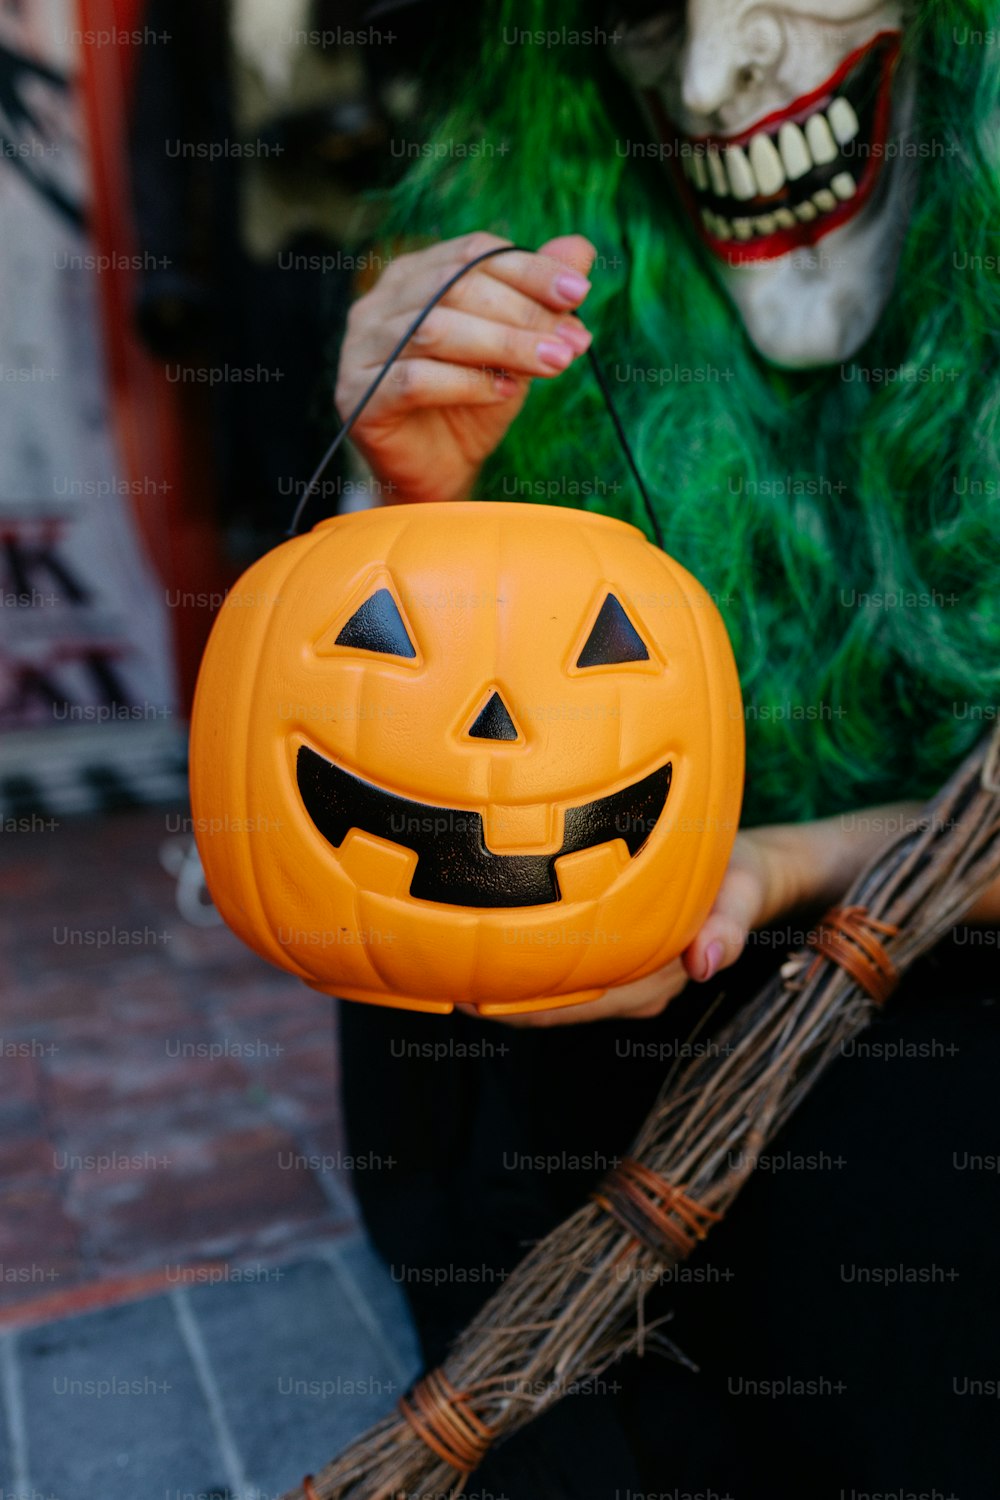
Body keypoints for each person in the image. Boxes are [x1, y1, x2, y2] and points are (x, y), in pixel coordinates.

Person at [333, 3, 1000, 1495]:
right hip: (661, 994)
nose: (710, 77)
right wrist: (421, 514)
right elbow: (388, 771)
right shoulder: (572, 285)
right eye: (641, 5)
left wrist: (782, 866)